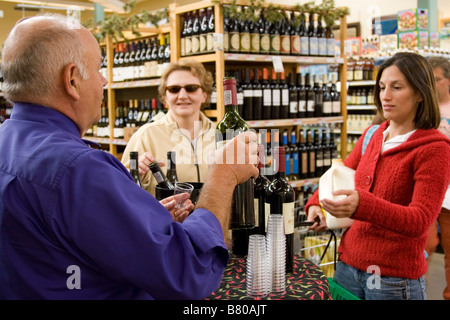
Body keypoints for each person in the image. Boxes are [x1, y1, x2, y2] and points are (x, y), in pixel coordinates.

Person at [0, 14, 259, 299]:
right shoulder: (80, 170)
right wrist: (223, 175)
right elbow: (189, 272)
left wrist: (142, 220)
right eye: (98, 68)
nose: (104, 80)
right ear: (72, 80)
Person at [306, 52, 450, 300]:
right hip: (348, 267)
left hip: (393, 279)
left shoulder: (434, 149)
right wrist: (318, 204)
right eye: (382, 87)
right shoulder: (373, 135)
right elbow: (338, 173)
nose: (385, 96)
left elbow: (420, 221)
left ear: (419, 93)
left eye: (397, 87)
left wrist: (362, 204)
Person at [121, 59, 216, 196]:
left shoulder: (220, 135)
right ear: (165, 98)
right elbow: (122, 188)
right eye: (174, 89)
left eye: (191, 88)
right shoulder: (146, 135)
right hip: (165, 217)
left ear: (204, 95)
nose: (182, 95)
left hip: (212, 217)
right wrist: (137, 173)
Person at [426, 56, 450, 300]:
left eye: (437, 79)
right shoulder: (422, 108)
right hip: (427, 187)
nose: (432, 85)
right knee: (425, 244)